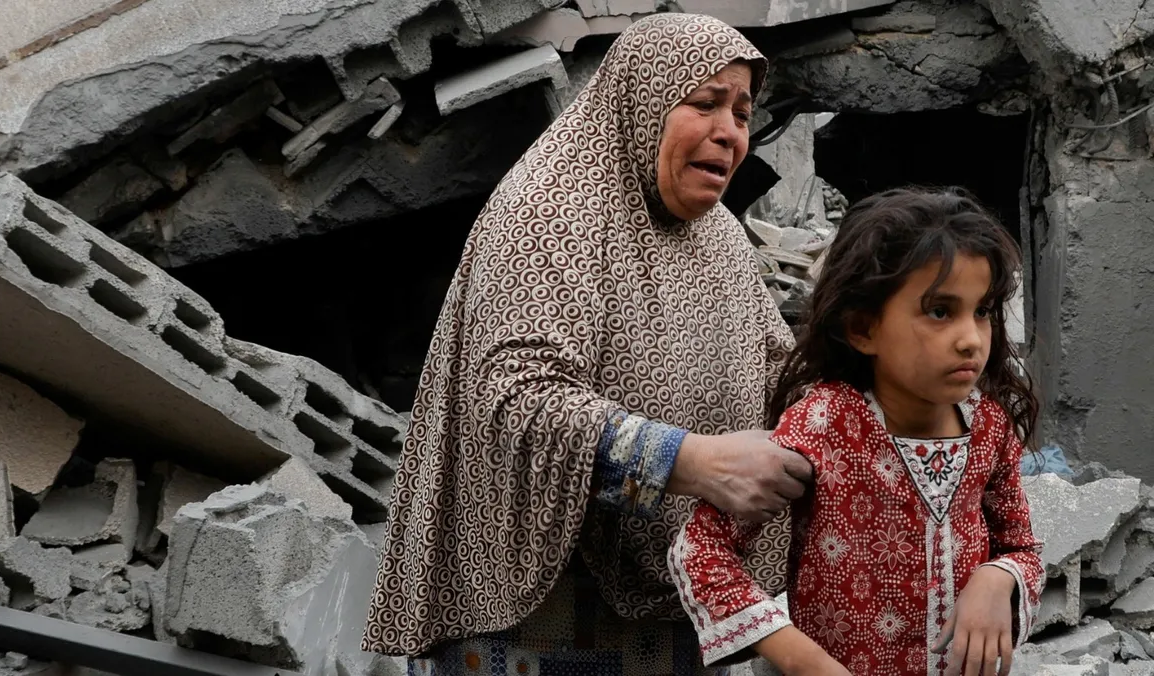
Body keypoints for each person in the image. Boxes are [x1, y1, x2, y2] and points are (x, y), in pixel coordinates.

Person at [361, 12, 815, 676]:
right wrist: (691, 462)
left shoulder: (716, 235)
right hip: (537, 608)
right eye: (705, 103)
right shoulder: (552, 209)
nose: (730, 131)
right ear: (643, 101)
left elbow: (778, 369)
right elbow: (516, 399)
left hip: (666, 597)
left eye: (742, 114)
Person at [669, 187, 1046, 676]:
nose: (971, 339)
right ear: (864, 330)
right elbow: (699, 551)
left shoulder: (989, 427)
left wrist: (998, 577)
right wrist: (803, 660)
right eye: (940, 311)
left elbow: (1022, 547)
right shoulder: (825, 424)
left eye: (983, 311)